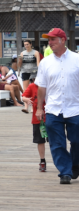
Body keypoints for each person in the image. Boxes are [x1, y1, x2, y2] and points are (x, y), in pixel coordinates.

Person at [35, 28, 79, 184]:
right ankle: (65, 172)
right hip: (53, 108)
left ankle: (75, 164)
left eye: (53, 39)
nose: (50, 42)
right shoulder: (45, 63)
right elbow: (41, 87)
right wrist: (39, 108)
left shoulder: (76, 59)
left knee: (77, 141)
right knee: (57, 143)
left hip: (75, 108)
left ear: (63, 40)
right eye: (49, 40)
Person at [22, 78, 48, 172]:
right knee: (40, 141)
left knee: (55, 141)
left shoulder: (50, 85)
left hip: (52, 117)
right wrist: (26, 99)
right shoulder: (32, 86)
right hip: (37, 119)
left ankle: (60, 161)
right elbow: (23, 96)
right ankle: (42, 160)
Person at [18, 40, 40, 113]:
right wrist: (19, 62)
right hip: (25, 71)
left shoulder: (35, 52)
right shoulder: (22, 53)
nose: (26, 46)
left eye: (27, 44)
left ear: (31, 44)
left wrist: (39, 71)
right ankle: (26, 107)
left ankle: (33, 107)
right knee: (26, 89)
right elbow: (20, 65)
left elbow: (38, 63)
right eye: (25, 45)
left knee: (34, 88)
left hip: (33, 71)